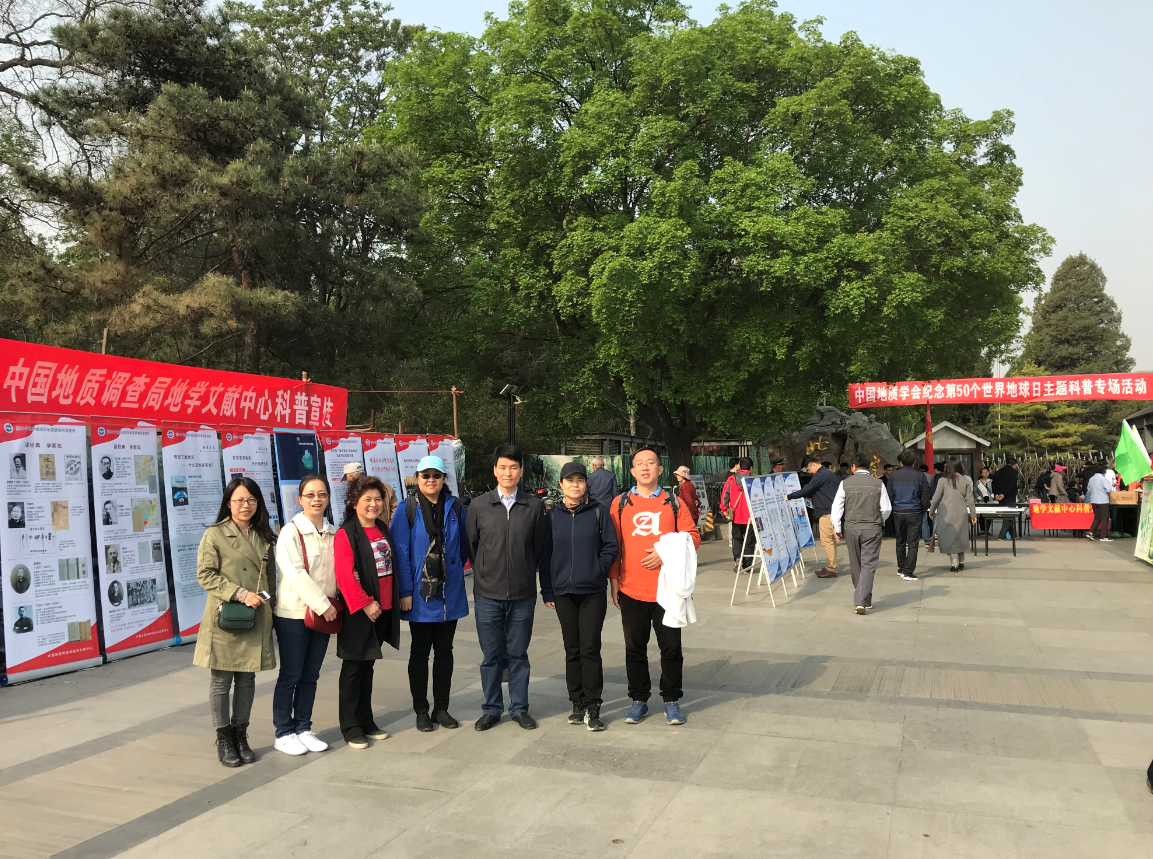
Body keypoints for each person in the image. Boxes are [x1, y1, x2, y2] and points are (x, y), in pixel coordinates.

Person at [608, 447, 700, 725]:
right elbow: (614, 547)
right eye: (640, 463)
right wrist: (614, 582)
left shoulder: (673, 503)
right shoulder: (620, 504)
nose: (645, 467)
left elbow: (693, 537)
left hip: (667, 590)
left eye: (651, 463)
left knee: (671, 649)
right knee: (634, 649)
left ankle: (671, 700)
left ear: (660, 470)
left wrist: (665, 553)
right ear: (633, 471)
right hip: (631, 589)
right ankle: (639, 699)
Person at [194, 476, 276, 768]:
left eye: (251, 500)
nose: (245, 505)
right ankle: (224, 738)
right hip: (225, 617)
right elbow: (205, 575)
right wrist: (240, 594)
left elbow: (270, 579)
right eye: (239, 500)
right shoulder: (215, 534)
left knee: (247, 678)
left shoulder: (264, 534)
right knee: (221, 680)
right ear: (228, 503)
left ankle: (241, 735)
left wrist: (271, 605)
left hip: (256, 616)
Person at [467, 445, 548, 731]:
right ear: (495, 470)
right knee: (490, 657)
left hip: (522, 595)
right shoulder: (479, 506)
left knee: (518, 655)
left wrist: (523, 570)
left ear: (521, 471)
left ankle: (519, 708)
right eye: (502, 467)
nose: (508, 472)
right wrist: (486, 572)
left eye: (513, 467)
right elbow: (472, 546)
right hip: (487, 595)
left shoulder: (534, 507)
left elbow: (539, 548)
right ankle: (491, 708)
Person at [392, 456, 469, 733]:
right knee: (420, 652)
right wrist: (405, 591)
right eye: (425, 475)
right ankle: (421, 710)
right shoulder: (407, 508)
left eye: (436, 475)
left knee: (445, 652)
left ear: (444, 479)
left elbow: (464, 546)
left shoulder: (455, 506)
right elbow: (400, 553)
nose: (431, 480)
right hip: (420, 593)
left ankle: (441, 708)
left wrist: (451, 570)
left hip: (449, 592)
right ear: (418, 478)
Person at [539, 461, 619, 730]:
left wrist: (596, 569)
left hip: (592, 592)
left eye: (580, 480)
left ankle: (593, 705)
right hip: (563, 592)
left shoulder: (598, 511)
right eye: (570, 480)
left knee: (590, 647)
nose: (575, 485)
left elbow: (611, 546)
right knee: (572, 649)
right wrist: (547, 589)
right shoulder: (552, 515)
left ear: (587, 484)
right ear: (561, 484)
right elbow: (545, 555)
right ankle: (577, 702)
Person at [271, 475, 338, 756]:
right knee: (291, 673)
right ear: (300, 499)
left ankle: (303, 727)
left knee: (311, 674)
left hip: (324, 614)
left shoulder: (333, 533)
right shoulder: (290, 533)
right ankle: (283, 732)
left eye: (321, 494)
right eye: (310, 495)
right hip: (294, 614)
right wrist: (323, 605)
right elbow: (295, 573)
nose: (316, 499)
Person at [334, 475, 402, 748]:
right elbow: (345, 575)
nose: (374, 504)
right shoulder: (346, 533)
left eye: (378, 499)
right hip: (360, 611)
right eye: (367, 499)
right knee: (353, 668)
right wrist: (365, 603)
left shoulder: (382, 527)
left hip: (382, 608)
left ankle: (366, 720)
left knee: (368, 666)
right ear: (354, 502)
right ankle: (351, 726)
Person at [830, 453, 891, 614]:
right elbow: (886, 508)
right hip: (872, 528)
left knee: (856, 564)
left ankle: (861, 600)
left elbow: (837, 507)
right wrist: (879, 520)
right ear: (869, 466)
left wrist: (837, 527)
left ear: (853, 467)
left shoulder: (845, 483)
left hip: (851, 527)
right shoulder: (878, 484)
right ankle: (863, 599)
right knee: (868, 564)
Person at [786, 456, 841, 578]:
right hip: (830, 511)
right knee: (830, 541)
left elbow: (807, 489)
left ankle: (831, 568)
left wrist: (788, 496)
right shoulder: (828, 474)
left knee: (827, 540)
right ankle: (829, 565)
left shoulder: (821, 475)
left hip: (827, 513)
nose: (809, 472)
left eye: (809, 469)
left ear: (814, 465)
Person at [887, 450, 932, 581]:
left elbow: (889, 495)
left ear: (900, 462)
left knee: (900, 541)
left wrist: (893, 509)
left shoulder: (894, 475)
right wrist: (922, 509)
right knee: (913, 543)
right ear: (914, 461)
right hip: (915, 511)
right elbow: (925, 495)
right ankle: (908, 571)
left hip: (898, 511)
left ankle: (901, 568)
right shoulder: (920, 475)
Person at [928, 461, 976, 572]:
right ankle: (961, 561)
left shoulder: (943, 480)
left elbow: (936, 498)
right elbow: (970, 499)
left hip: (947, 513)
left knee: (950, 538)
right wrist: (973, 514)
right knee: (960, 536)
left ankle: (954, 564)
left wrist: (931, 510)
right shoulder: (966, 480)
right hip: (962, 512)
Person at [719, 457, 755, 573]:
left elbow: (725, 495)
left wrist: (724, 509)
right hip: (751, 517)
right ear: (751, 468)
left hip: (736, 516)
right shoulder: (754, 481)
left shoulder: (731, 479)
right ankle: (747, 566)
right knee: (749, 541)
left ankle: (737, 558)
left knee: (737, 539)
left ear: (739, 466)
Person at [991, 457, 1020, 540]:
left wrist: (996, 494)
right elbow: (1012, 485)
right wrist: (1004, 494)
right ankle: (1002, 535)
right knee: (1009, 515)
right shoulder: (1014, 472)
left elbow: (993, 483)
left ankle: (1014, 534)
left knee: (1008, 515)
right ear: (1014, 465)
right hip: (1009, 497)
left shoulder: (998, 472)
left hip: (1000, 497)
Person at [1085, 466, 1113, 542]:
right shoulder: (1103, 479)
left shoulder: (1091, 479)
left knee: (1097, 517)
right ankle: (1104, 536)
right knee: (1104, 518)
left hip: (1094, 500)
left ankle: (1091, 532)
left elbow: (1088, 489)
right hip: (1103, 500)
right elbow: (1109, 489)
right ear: (1104, 472)